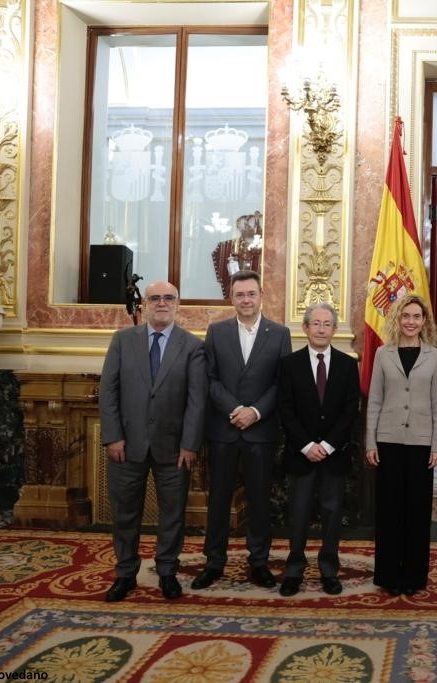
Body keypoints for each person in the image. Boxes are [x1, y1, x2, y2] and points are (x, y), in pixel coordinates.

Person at [98, 281, 206, 602]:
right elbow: (108, 391)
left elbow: (197, 401)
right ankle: (125, 573)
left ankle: (168, 571)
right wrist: (112, 436)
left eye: (168, 298)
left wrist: (190, 444)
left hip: (174, 449)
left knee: (172, 513)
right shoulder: (122, 340)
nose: (162, 303)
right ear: (144, 304)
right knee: (125, 513)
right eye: (155, 298)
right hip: (126, 445)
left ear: (177, 304)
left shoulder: (192, 346)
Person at [192, 269, 292, 591]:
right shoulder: (216, 331)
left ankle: (259, 562)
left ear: (261, 295)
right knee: (218, 499)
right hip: (223, 429)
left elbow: (282, 383)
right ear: (231, 298)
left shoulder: (279, 334)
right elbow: (209, 379)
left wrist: (256, 411)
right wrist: (235, 410)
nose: (246, 300)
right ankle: (214, 562)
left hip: (260, 432)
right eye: (240, 295)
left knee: (260, 500)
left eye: (251, 294)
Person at [365, 293, 437, 596]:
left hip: (422, 443)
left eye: (417, 316)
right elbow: (374, 400)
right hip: (388, 440)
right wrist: (370, 440)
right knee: (389, 510)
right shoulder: (384, 354)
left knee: (417, 509)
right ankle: (388, 575)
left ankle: (413, 576)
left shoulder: (434, 355)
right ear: (396, 319)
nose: (411, 321)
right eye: (406, 316)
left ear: (425, 322)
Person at [276, 303, 360, 597]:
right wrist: (307, 445)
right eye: (316, 323)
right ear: (306, 328)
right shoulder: (289, 364)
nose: (322, 329)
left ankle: (328, 569)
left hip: (333, 454)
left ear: (335, 330)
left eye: (327, 324)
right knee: (297, 513)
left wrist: (326, 445)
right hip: (301, 454)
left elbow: (350, 411)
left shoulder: (348, 365)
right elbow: (285, 410)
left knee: (331, 512)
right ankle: (294, 569)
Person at [212, 211, 263, 299]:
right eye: (247, 225)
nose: (255, 228)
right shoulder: (226, 246)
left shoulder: (267, 247)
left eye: (257, 225)